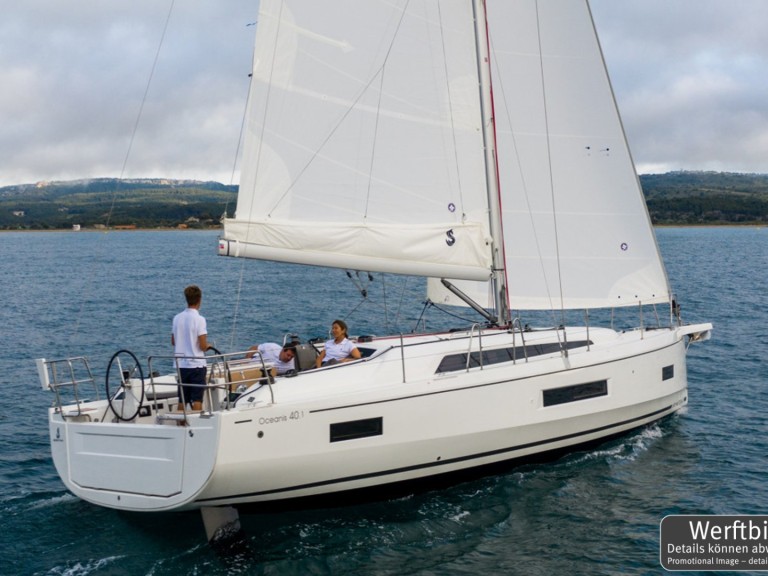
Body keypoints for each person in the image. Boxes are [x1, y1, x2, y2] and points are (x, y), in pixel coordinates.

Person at [171, 285, 208, 410]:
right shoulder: (199, 319)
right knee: (197, 399)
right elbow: (202, 345)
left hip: (181, 365)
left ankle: (180, 425)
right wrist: (208, 346)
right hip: (196, 364)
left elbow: (173, 341)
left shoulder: (177, 318)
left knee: (182, 399)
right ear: (199, 299)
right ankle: (196, 426)